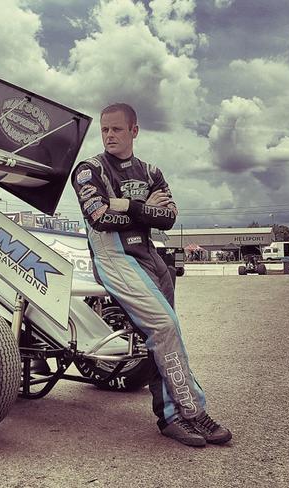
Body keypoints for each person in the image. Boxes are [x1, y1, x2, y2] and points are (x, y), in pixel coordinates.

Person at [71, 103, 231, 447]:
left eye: (116, 129)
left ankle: (171, 415)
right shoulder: (89, 170)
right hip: (114, 259)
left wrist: (126, 205)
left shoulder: (151, 171)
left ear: (134, 131)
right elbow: (99, 216)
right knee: (164, 326)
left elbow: (169, 218)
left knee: (165, 335)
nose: (109, 135)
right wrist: (146, 210)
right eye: (104, 130)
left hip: (152, 259)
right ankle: (192, 411)